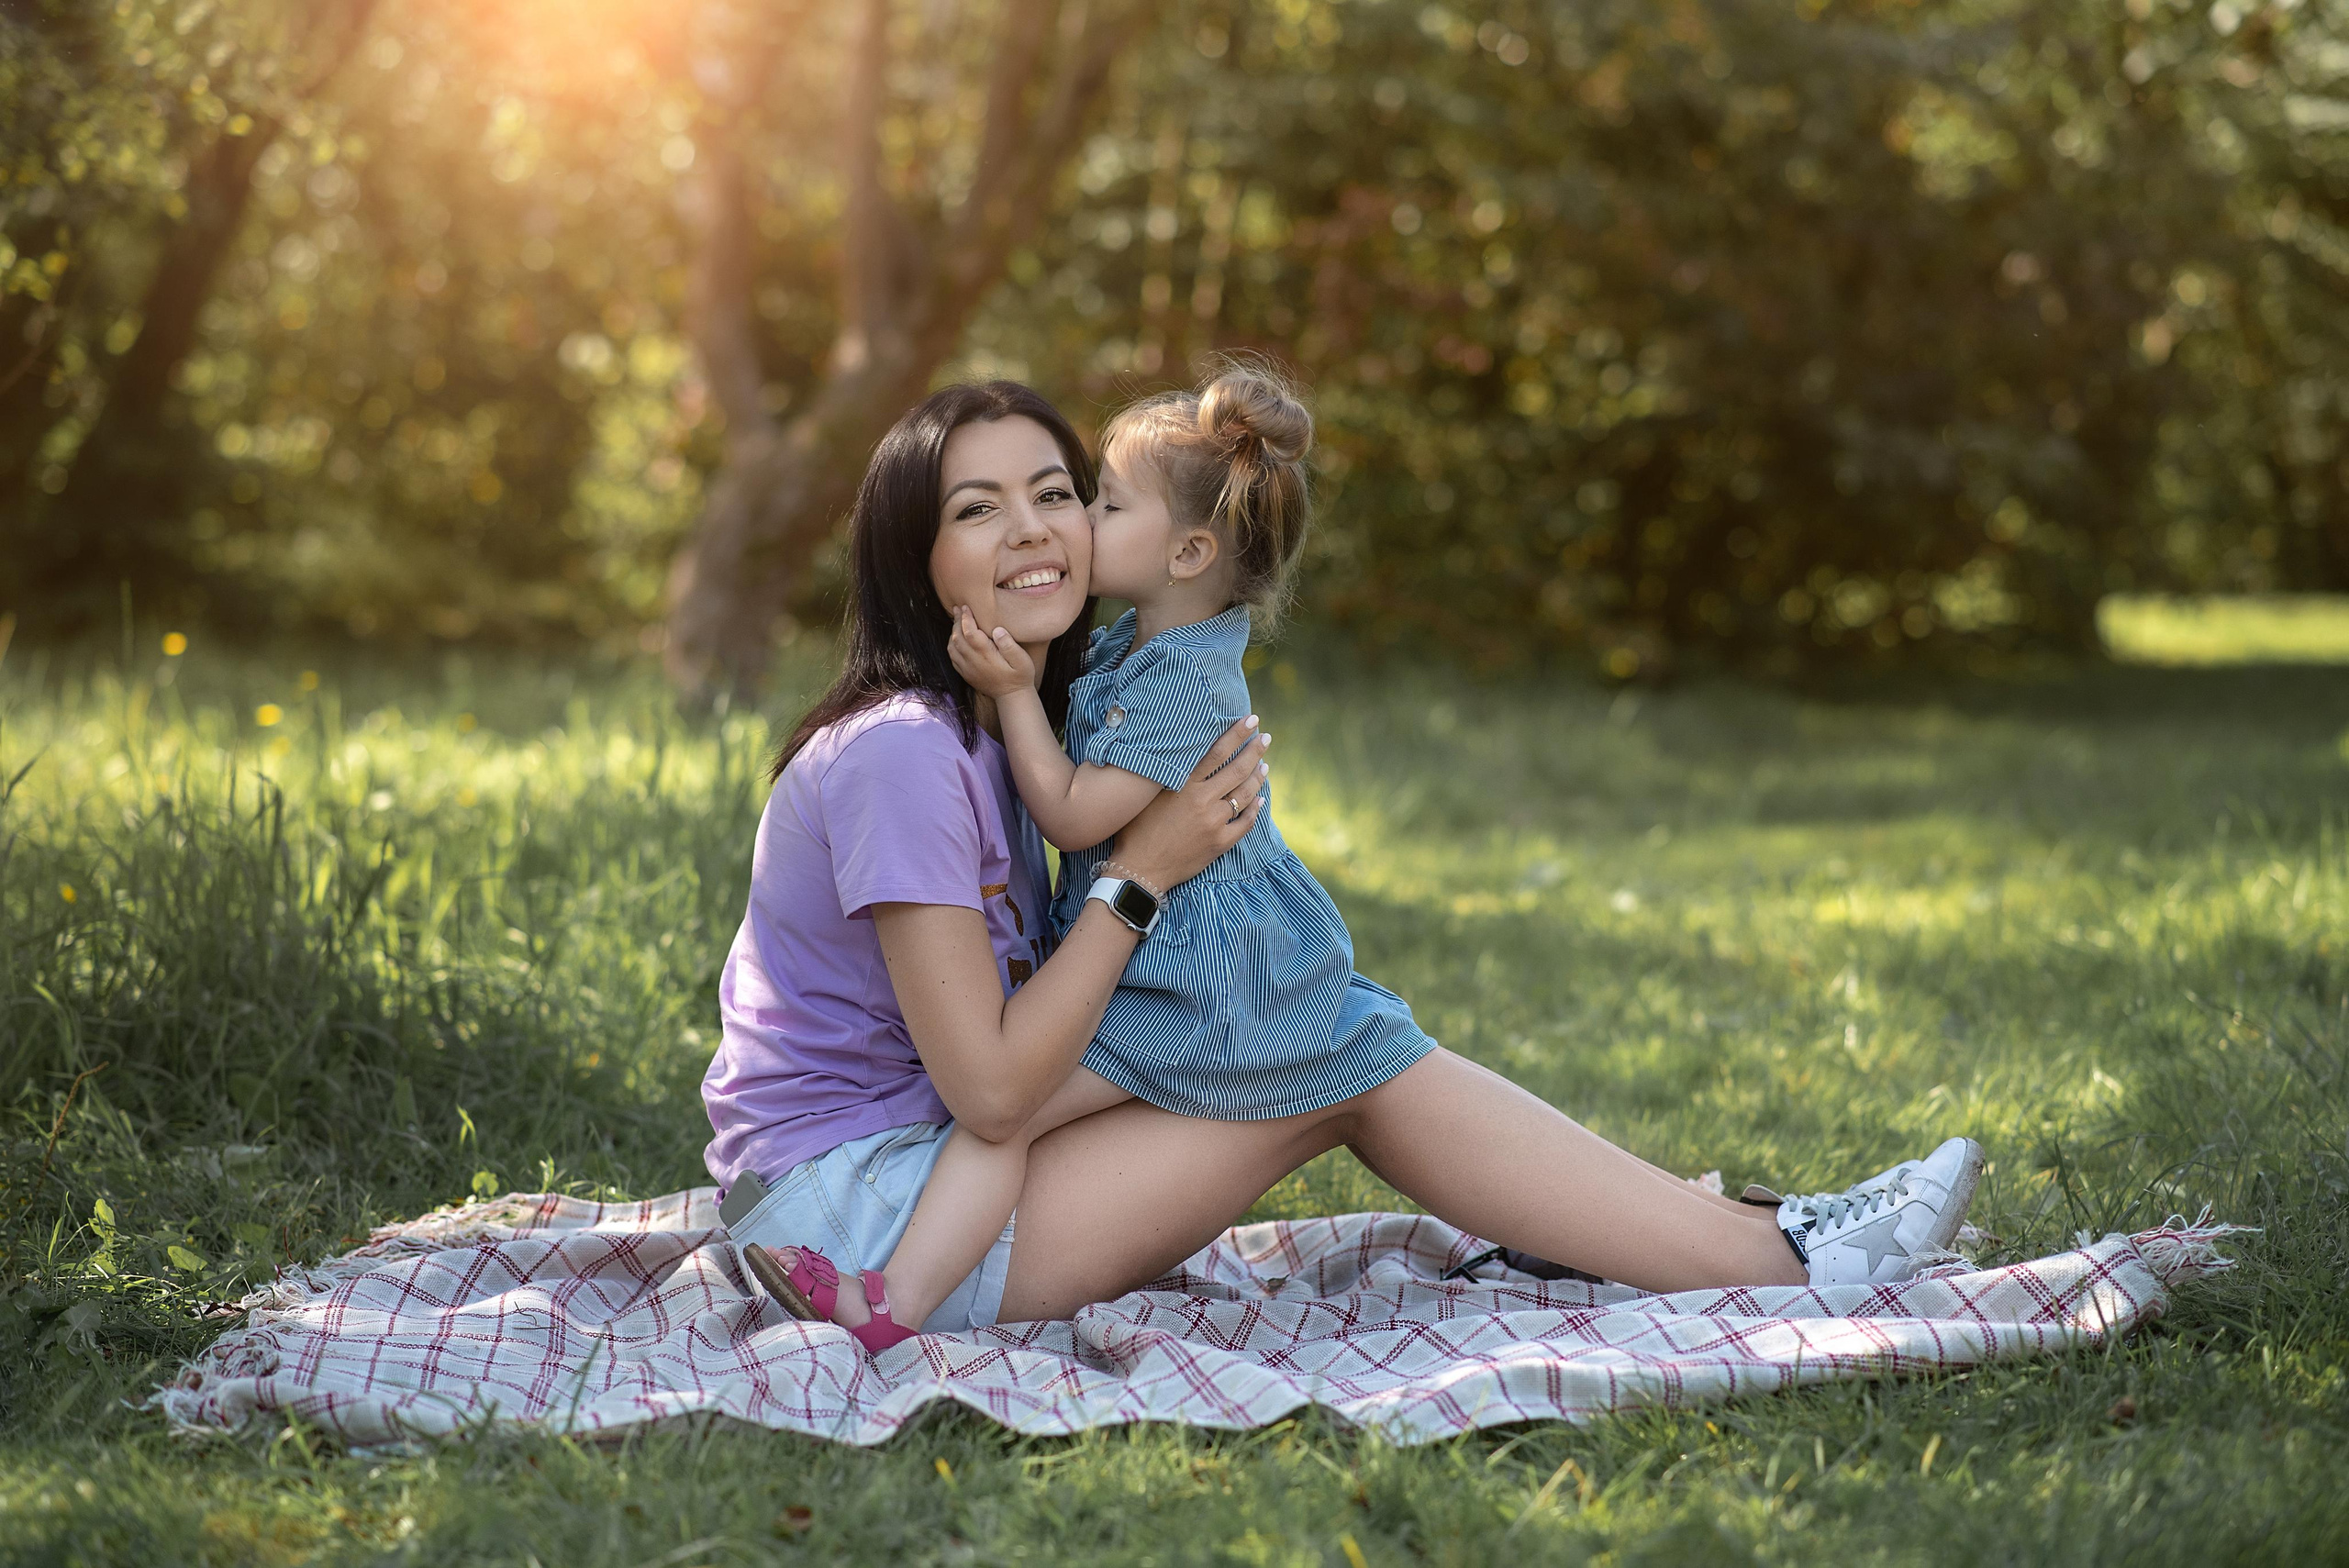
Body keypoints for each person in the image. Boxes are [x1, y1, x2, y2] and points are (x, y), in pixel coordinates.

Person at [702, 379, 1981, 1352]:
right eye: (977, 510)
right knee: (1336, 1055)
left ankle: (1765, 1235)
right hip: (855, 1218)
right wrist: (1141, 873)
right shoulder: (902, 757)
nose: (1041, 529)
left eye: (1059, 490)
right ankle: (1776, 1255)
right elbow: (989, 1091)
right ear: (914, 560)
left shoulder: (998, 713)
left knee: (1343, 1031)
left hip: (916, 1169)